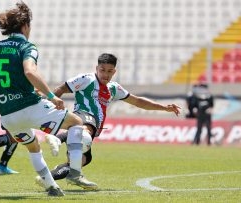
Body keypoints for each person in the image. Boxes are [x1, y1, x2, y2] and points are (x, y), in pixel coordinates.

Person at [0, 1, 96, 196]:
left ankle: (51, 186)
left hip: (7, 115)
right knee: (77, 123)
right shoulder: (27, 46)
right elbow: (30, 72)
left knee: (33, 147)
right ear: (26, 25)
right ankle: (74, 171)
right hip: (31, 106)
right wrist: (51, 96)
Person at [36, 53, 181, 188]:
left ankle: (46, 178)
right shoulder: (86, 79)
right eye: (102, 70)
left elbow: (137, 102)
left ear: (114, 72)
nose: (105, 74)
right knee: (85, 132)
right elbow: (60, 89)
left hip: (92, 125)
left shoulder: (113, 88)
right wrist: (50, 107)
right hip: (82, 116)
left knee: (83, 160)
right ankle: (57, 138)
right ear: (96, 68)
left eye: (109, 71)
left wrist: (164, 107)